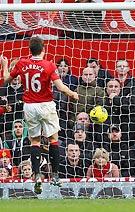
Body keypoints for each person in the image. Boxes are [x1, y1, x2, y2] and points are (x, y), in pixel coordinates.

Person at [0, 37, 79, 194]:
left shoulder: (22, 63)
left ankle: (37, 175)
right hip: (46, 105)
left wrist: (5, 64)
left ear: (30, 50)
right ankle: (55, 175)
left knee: (34, 142)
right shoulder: (48, 65)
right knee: (53, 139)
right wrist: (73, 94)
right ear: (43, 49)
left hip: (29, 106)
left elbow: (6, 80)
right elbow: (61, 87)